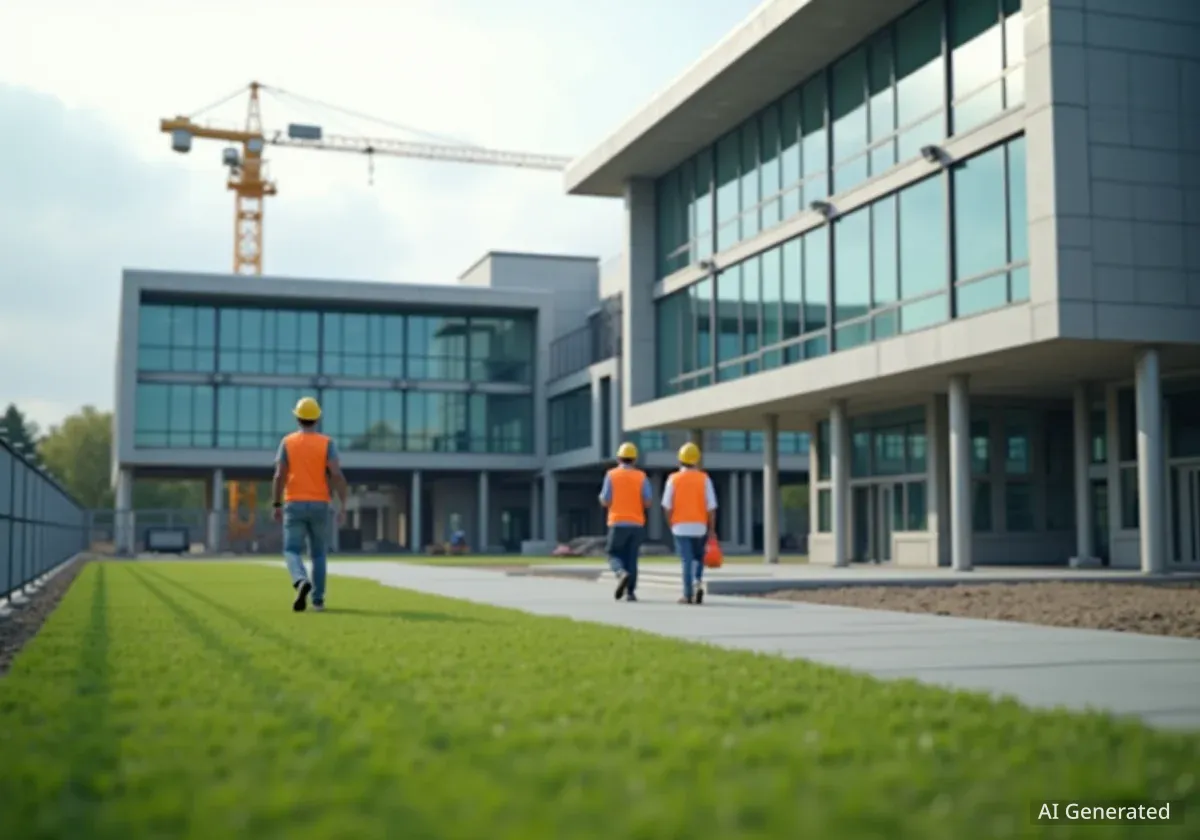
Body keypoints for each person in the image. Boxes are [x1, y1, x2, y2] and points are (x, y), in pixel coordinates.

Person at [271, 396, 348, 613]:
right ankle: (318, 600)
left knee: (291, 550)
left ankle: (300, 580)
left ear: (297, 418)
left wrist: (276, 504)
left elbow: (279, 475)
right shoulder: (327, 443)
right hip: (320, 504)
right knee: (319, 554)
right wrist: (343, 505)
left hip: (294, 503)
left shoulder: (287, 442)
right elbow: (337, 475)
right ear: (317, 418)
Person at [661, 441, 717, 605]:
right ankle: (697, 581)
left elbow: (667, 506)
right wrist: (712, 528)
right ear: (697, 460)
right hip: (700, 526)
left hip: (680, 526)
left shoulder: (673, 479)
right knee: (698, 558)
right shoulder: (704, 479)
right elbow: (711, 507)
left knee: (686, 560)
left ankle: (688, 594)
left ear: (680, 459)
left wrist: (670, 523)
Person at [599, 441, 652, 602]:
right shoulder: (641, 476)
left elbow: (605, 500)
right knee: (632, 558)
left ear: (618, 458)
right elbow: (648, 502)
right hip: (636, 523)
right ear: (634, 459)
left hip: (617, 521)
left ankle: (620, 572)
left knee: (613, 553)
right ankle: (630, 593)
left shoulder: (611, 475)